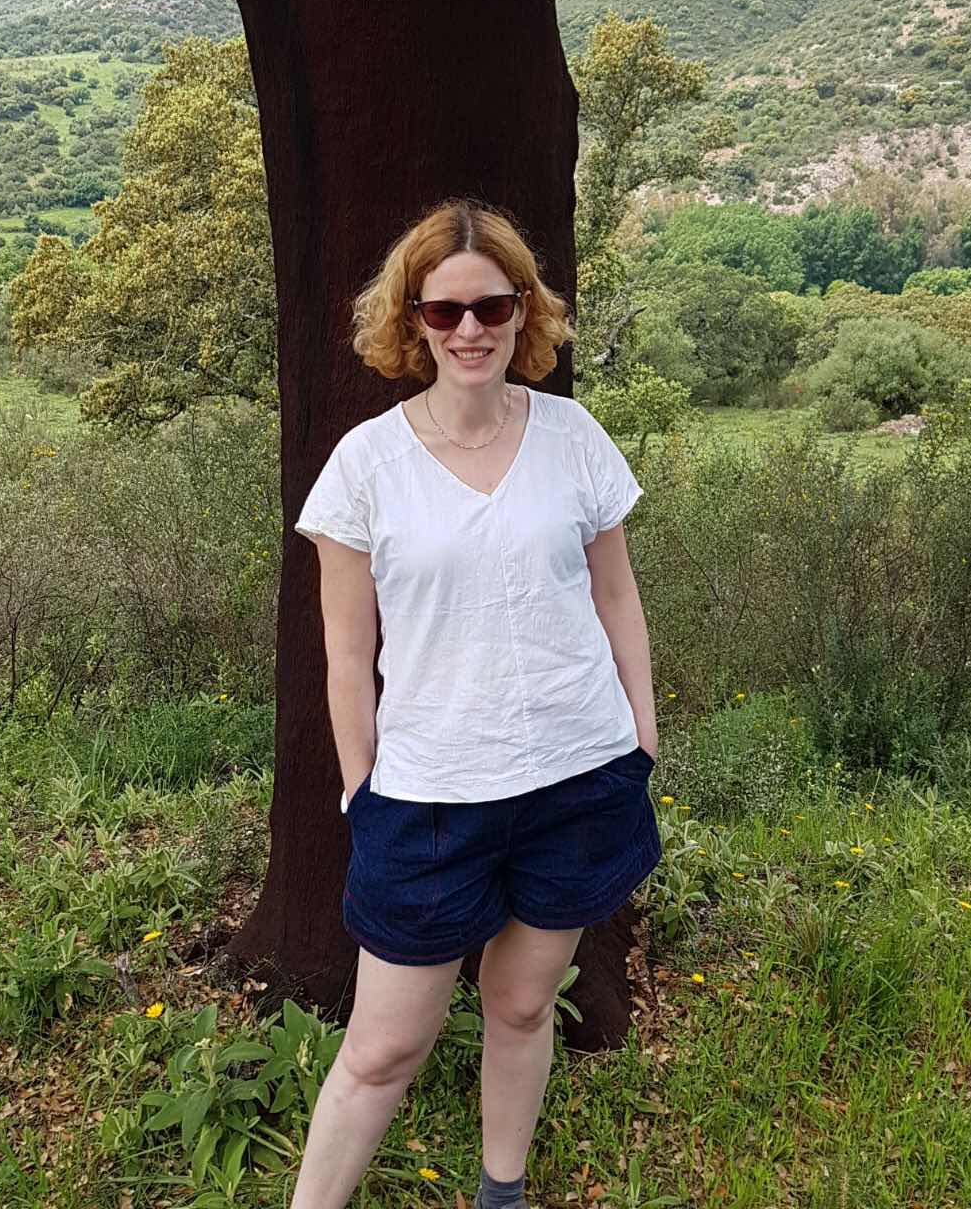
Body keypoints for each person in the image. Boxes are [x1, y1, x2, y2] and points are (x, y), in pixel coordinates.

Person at [289, 200, 662, 1209]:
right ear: (412, 320)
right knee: (380, 1050)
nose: (469, 329)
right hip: (429, 801)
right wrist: (364, 790)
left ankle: (503, 1193)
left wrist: (641, 736)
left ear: (522, 310)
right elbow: (346, 654)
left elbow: (617, 595)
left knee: (523, 1005)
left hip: (577, 783)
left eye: (492, 306)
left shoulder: (573, 438)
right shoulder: (365, 467)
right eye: (443, 310)